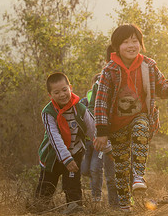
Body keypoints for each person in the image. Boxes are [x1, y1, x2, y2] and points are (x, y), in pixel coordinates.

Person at [93, 23, 168, 212]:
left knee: (141, 126)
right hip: (116, 127)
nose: (131, 45)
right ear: (116, 47)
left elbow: (162, 87)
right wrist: (102, 131)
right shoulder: (109, 71)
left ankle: (139, 176)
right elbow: (100, 103)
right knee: (121, 167)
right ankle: (125, 206)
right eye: (125, 42)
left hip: (139, 117)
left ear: (140, 43)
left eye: (135, 41)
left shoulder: (148, 65)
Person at [30, 72, 111, 214]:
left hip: (74, 153)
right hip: (52, 158)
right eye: (56, 92)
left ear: (70, 88)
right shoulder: (48, 112)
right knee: (45, 191)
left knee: (73, 190)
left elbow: (93, 131)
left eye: (64, 90)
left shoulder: (80, 109)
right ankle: (36, 210)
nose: (62, 95)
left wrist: (108, 149)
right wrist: (66, 159)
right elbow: (55, 138)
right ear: (50, 95)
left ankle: (75, 210)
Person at [80, 72, 119, 208]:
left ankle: (113, 203)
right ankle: (99, 191)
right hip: (89, 141)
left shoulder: (110, 99)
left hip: (106, 141)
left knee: (102, 171)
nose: (99, 83)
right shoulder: (86, 100)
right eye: (96, 81)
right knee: (86, 170)